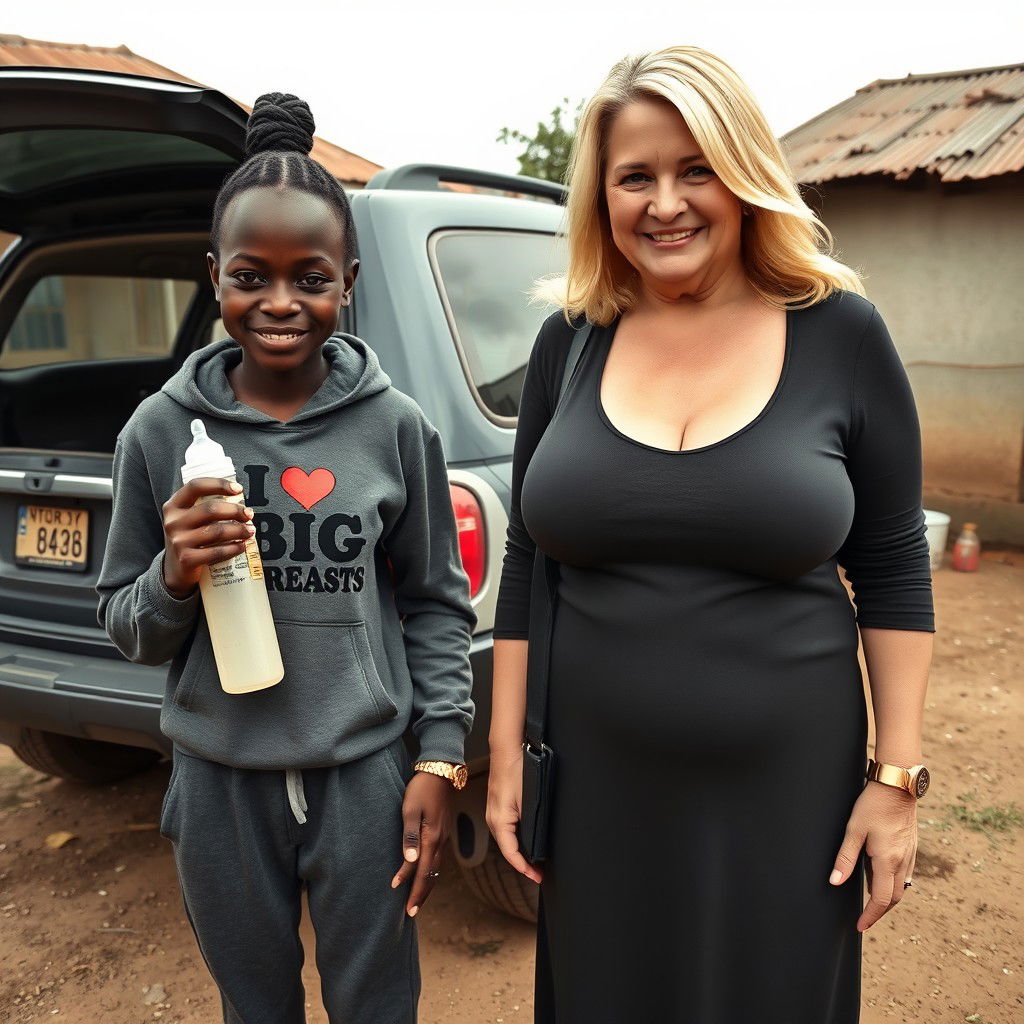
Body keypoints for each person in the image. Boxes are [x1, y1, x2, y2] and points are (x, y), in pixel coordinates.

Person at [487, 47, 934, 1024]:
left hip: (787, 795)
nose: (665, 202)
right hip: (597, 788)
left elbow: (895, 566)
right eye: (633, 177)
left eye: (695, 169)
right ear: (599, 197)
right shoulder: (572, 340)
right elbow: (528, 557)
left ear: (744, 173)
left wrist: (894, 779)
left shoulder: (840, 335)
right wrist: (509, 753)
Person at [97, 93, 475, 1024]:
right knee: (254, 1005)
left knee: (376, 1002)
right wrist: (171, 578)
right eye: (249, 276)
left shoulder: (394, 427)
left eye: (310, 277)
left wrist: (439, 757)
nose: (278, 302)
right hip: (219, 783)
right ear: (214, 277)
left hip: (365, 779)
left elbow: (435, 604)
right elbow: (125, 625)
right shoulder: (157, 431)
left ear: (348, 279)